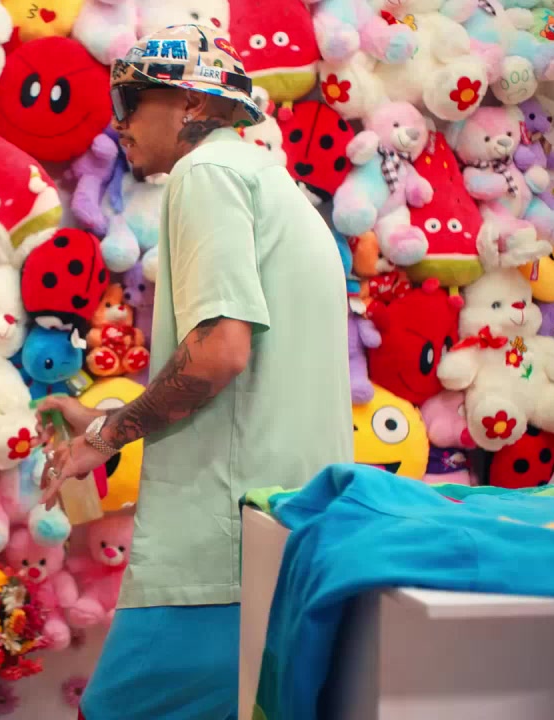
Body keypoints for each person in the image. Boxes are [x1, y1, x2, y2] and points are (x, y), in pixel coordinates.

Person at [36, 24, 354, 720]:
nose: (118, 123)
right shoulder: (269, 181)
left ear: (191, 104)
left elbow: (220, 352)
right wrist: (105, 417)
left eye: (131, 102)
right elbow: (250, 373)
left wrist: (106, 437)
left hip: (223, 549)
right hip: (282, 534)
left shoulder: (206, 173)